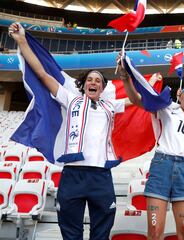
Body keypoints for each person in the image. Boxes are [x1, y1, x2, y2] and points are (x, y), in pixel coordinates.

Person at [9, 22, 131, 240]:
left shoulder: (111, 105)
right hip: (72, 174)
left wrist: (125, 76)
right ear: (83, 85)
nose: (93, 82)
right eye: (90, 79)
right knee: (70, 233)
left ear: (103, 88)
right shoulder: (70, 99)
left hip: (101, 175)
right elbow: (42, 72)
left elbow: (137, 99)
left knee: (101, 233)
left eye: (98, 81)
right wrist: (22, 41)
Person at [117, 60, 184, 240]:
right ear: (180, 95)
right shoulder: (167, 109)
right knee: (154, 231)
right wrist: (126, 79)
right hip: (162, 166)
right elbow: (137, 100)